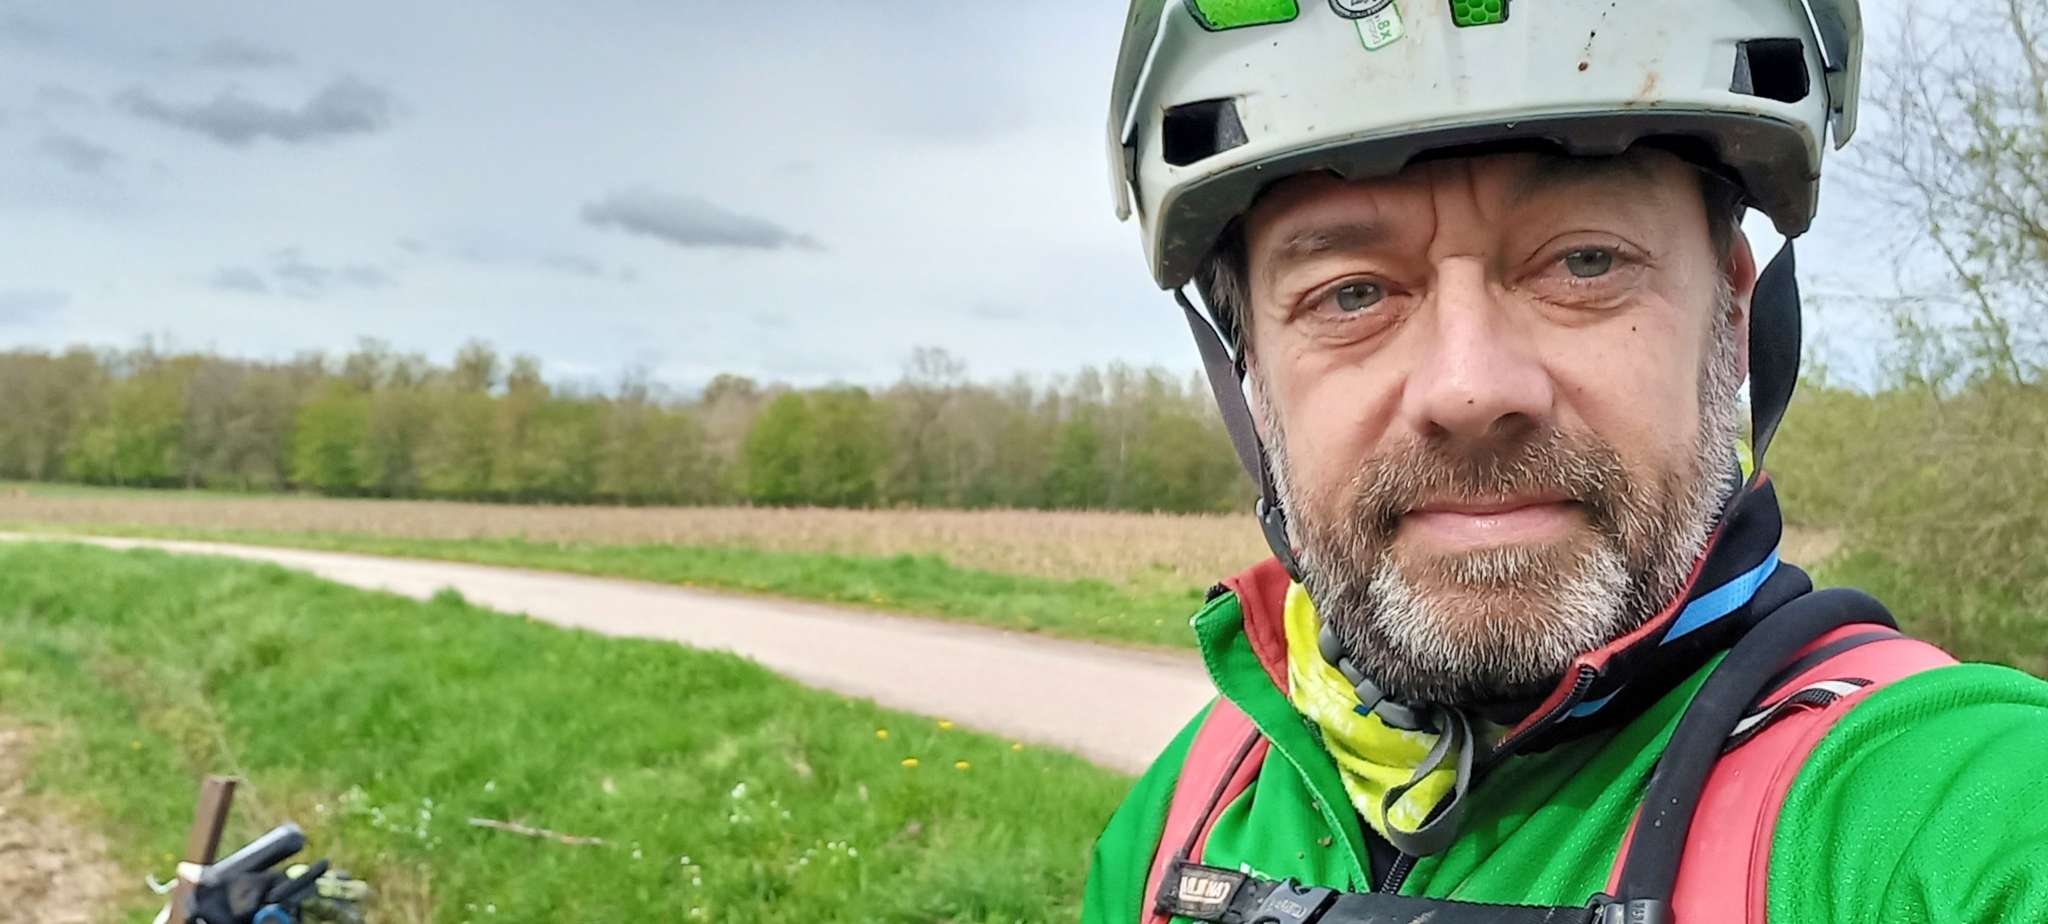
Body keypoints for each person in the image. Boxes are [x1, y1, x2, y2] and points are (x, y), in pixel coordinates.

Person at [1084, 2, 2048, 922]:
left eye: (1586, 262)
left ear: (1732, 314)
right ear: (1251, 373)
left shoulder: (1953, 816)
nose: (1469, 390)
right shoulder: (1184, 816)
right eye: (1351, 295)